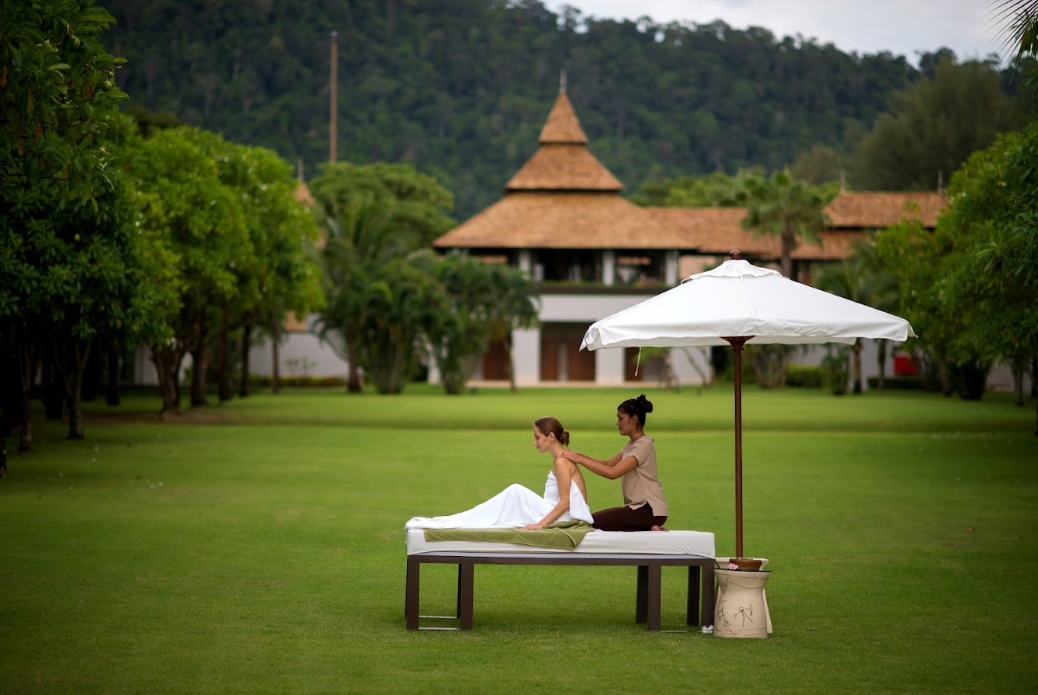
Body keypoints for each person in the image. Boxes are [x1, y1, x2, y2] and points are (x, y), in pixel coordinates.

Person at [405, 416, 593, 531]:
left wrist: (540, 525)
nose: (534, 442)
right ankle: (462, 519)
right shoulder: (561, 460)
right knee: (513, 494)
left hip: (564, 517)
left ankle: (461, 520)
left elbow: (565, 503)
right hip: (558, 513)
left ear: (551, 437)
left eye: (537, 437)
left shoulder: (561, 462)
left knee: (515, 491)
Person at [562, 394, 668, 532]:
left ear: (634, 419)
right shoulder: (631, 444)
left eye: (620, 418)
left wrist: (580, 460)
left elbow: (613, 473)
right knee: (594, 521)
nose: (617, 423)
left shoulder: (643, 446)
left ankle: (649, 528)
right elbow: (607, 464)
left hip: (649, 509)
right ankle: (650, 529)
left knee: (593, 522)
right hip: (640, 509)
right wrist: (578, 455)